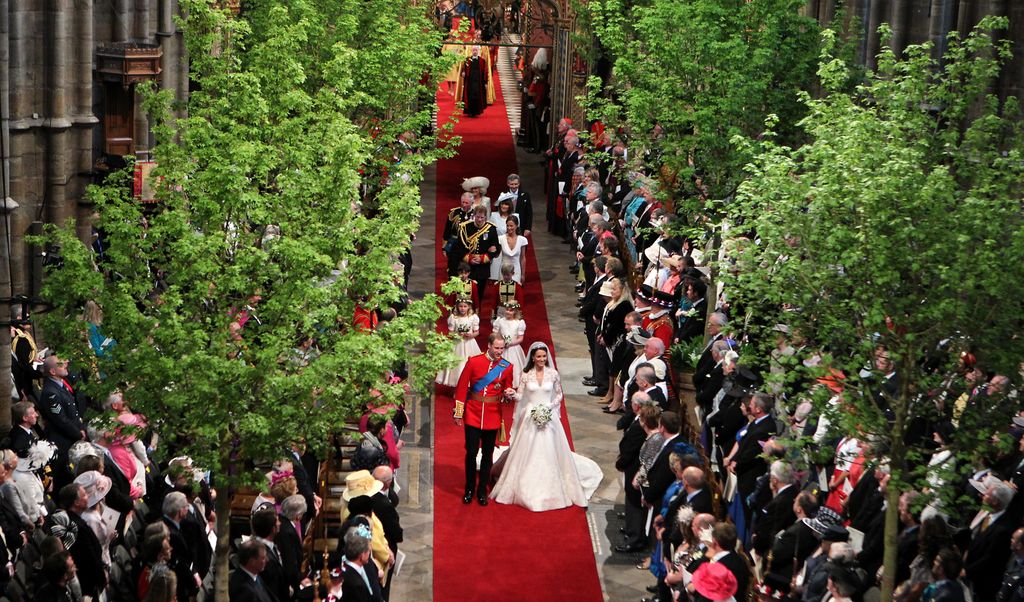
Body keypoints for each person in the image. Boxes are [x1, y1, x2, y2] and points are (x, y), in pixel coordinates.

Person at [490, 342, 590, 511]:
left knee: (550, 449)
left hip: (548, 415)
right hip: (530, 416)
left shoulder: (553, 374)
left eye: (544, 356)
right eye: (539, 357)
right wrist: (512, 394)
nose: (542, 359)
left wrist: (549, 407)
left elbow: (559, 394)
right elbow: (520, 396)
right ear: (533, 358)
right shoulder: (526, 374)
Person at [453, 333, 515, 506]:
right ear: (489, 345)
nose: (499, 352)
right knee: (471, 452)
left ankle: (482, 491)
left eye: (502, 348)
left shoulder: (507, 366)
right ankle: (469, 488)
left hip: (493, 415)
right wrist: (459, 412)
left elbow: (507, 388)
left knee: (487, 455)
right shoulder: (474, 361)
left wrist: (508, 393)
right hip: (473, 414)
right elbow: (461, 387)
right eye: (497, 348)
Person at [448, 205, 499, 308]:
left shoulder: (491, 229)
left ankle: (476, 314)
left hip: (482, 267)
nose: (479, 220)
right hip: (468, 267)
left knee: (478, 293)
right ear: (474, 216)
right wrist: (469, 258)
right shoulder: (465, 227)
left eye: (482, 218)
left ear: (485, 217)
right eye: (477, 217)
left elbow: (496, 248)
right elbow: (459, 248)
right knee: (465, 292)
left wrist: (483, 258)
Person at [341, 525, 384, 602]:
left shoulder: (348, 568)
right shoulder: (357, 584)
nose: (369, 553)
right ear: (362, 555)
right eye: (368, 551)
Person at [492, 301, 526, 386]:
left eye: (511, 310)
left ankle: (511, 384)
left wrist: (510, 343)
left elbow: (520, 338)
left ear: (515, 311)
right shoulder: (500, 321)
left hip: (513, 348)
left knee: (513, 367)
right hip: (501, 348)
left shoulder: (519, 323)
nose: (508, 312)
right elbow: (494, 335)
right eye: (507, 309)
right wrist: (500, 342)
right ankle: (498, 381)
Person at [497, 217, 528, 284]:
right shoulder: (500, 239)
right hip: (503, 271)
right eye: (507, 225)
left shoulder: (522, 240)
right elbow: (497, 255)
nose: (509, 228)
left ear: (516, 226)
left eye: (511, 226)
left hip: (516, 271)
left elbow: (523, 258)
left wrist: (523, 274)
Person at [460, 45, 489, 117]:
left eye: (476, 50)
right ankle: (469, 111)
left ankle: (476, 112)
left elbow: (485, 72)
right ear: (471, 51)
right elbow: (463, 69)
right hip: (469, 82)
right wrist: (463, 73)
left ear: (478, 51)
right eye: (473, 50)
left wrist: (485, 82)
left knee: (477, 96)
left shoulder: (482, 61)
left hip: (478, 82)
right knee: (469, 96)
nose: (475, 52)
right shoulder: (467, 60)